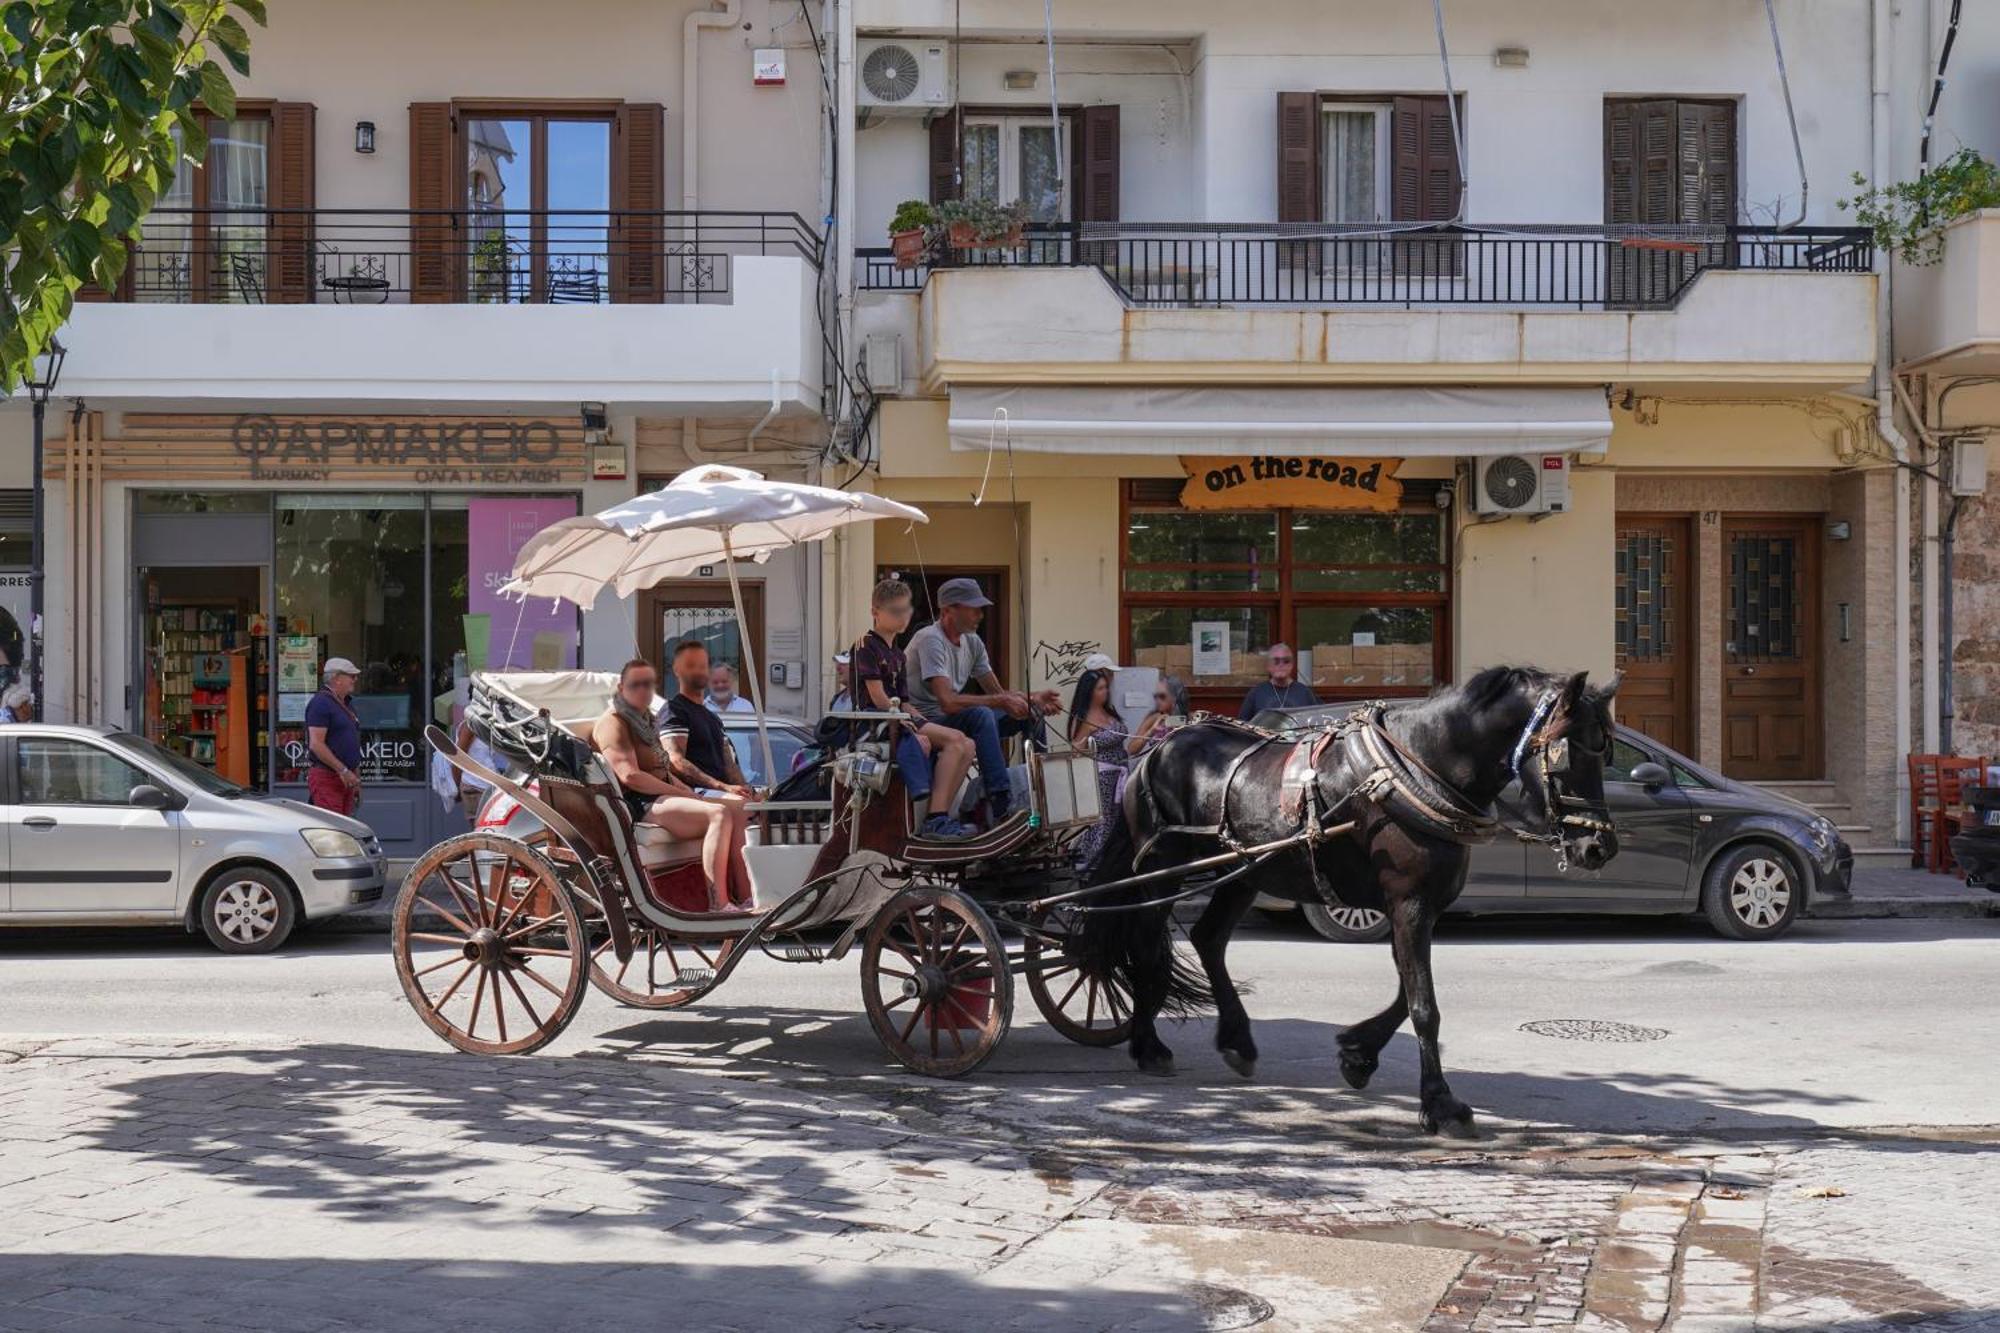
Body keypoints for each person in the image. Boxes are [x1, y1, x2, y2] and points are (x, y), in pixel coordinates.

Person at [592, 658, 754, 913]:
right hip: (639, 801)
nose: (643, 691)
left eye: (648, 684)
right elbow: (631, 776)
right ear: (622, 688)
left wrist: (686, 790)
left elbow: (664, 770)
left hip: (662, 795)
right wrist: (679, 792)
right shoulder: (614, 722)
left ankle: (747, 897)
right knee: (718, 814)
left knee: (742, 808)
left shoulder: (644, 721)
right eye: (636, 685)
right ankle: (719, 903)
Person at [905, 576, 1060, 823]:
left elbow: (998, 693)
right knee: (981, 715)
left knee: (1032, 714)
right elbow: (947, 702)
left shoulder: (973, 642)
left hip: (953, 718)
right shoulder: (930, 639)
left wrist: (1032, 698)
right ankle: (1000, 802)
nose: (980, 615)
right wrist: (1002, 702)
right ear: (948, 610)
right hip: (928, 720)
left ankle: (1041, 790)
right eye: (973, 609)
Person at [853, 578, 974, 839]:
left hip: (898, 717)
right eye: (895, 611)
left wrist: (919, 722)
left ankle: (940, 814)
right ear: (875, 612)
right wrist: (911, 725)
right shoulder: (865, 646)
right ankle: (935, 819)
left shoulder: (898, 653)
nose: (903, 617)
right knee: (955, 741)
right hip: (876, 723)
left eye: (906, 609)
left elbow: (904, 700)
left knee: (967, 743)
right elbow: (878, 696)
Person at [1067, 667, 1132, 872]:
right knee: (1104, 823)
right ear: (1090, 692)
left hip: (1121, 773)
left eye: (1106, 688)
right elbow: (1075, 750)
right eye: (1100, 688)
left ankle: (1117, 862)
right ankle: (1095, 863)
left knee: (1121, 821)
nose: (1105, 692)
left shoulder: (1109, 711)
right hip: (1102, 777)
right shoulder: (1083, 717)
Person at [305, 658, 364, 815]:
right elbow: (316, 744)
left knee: (345, 829)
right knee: (333, 830)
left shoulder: (346, 704)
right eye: (351, 676)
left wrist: (355, 777)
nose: (355, 679)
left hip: (346, 778)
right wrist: (343, 771)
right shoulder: (321, 703)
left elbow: (351, 743)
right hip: (328, 777)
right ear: (337, 678)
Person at [1236, 643, 1319, 722]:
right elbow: (1242, 727)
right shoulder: (1256, 693)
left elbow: (1317, 723)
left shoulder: (1304, 693)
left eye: (1286, 661)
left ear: (1292, 665)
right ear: (1268, 665)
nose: (1281, 665)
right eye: (1276, 661)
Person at [1127, 674, 1192, 757]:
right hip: (1158, 763)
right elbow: (1131, 749)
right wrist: (1151, 731)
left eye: (1162, 696)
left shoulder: (1188, 718)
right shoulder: (1155, 718)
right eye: (1155, 697)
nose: (1157, 701)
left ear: (1175, 697)